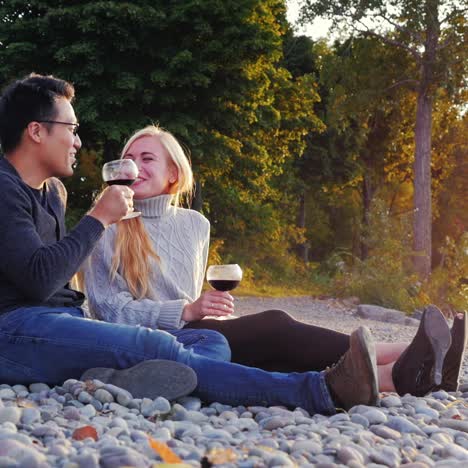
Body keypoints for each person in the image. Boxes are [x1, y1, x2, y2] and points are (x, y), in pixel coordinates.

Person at [0, 73, 384, 415]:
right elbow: (38, 279)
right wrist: (99, 218)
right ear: (36, 131)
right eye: (71, 128)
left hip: (58, 322)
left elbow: (53, 276)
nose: (78, 142)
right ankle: (321, 389)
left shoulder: (53, 192)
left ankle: (122, 378)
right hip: (13, 330)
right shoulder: (3, 188)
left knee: (207, 338)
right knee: (158, 346)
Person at [81, 125, 467, 397]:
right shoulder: (105, 225)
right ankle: (423, 358)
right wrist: (186, 310)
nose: (135, 167)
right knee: (275, 326)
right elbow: (107, 311)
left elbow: (189, 300)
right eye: (128, 159)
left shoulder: (195, 225)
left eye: (147, 158)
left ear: (173, 174)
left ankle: (414, 372)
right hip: (150, 344)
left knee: (274, 350)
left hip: (197, 336)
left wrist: (201, 311)